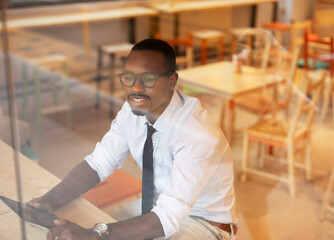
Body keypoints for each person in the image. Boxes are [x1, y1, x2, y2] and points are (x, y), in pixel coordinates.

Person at [29, 38, 238, 240]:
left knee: (96, 231)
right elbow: (99, 162)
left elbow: (168, 216)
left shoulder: (197, 136)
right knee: (81, 222)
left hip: (204, 223)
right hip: (159, 206)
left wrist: (95, 235)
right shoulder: (132, 110)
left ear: (172, 81)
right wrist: (48, 201)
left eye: (148, 79)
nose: (136, 88)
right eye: (129, 78)